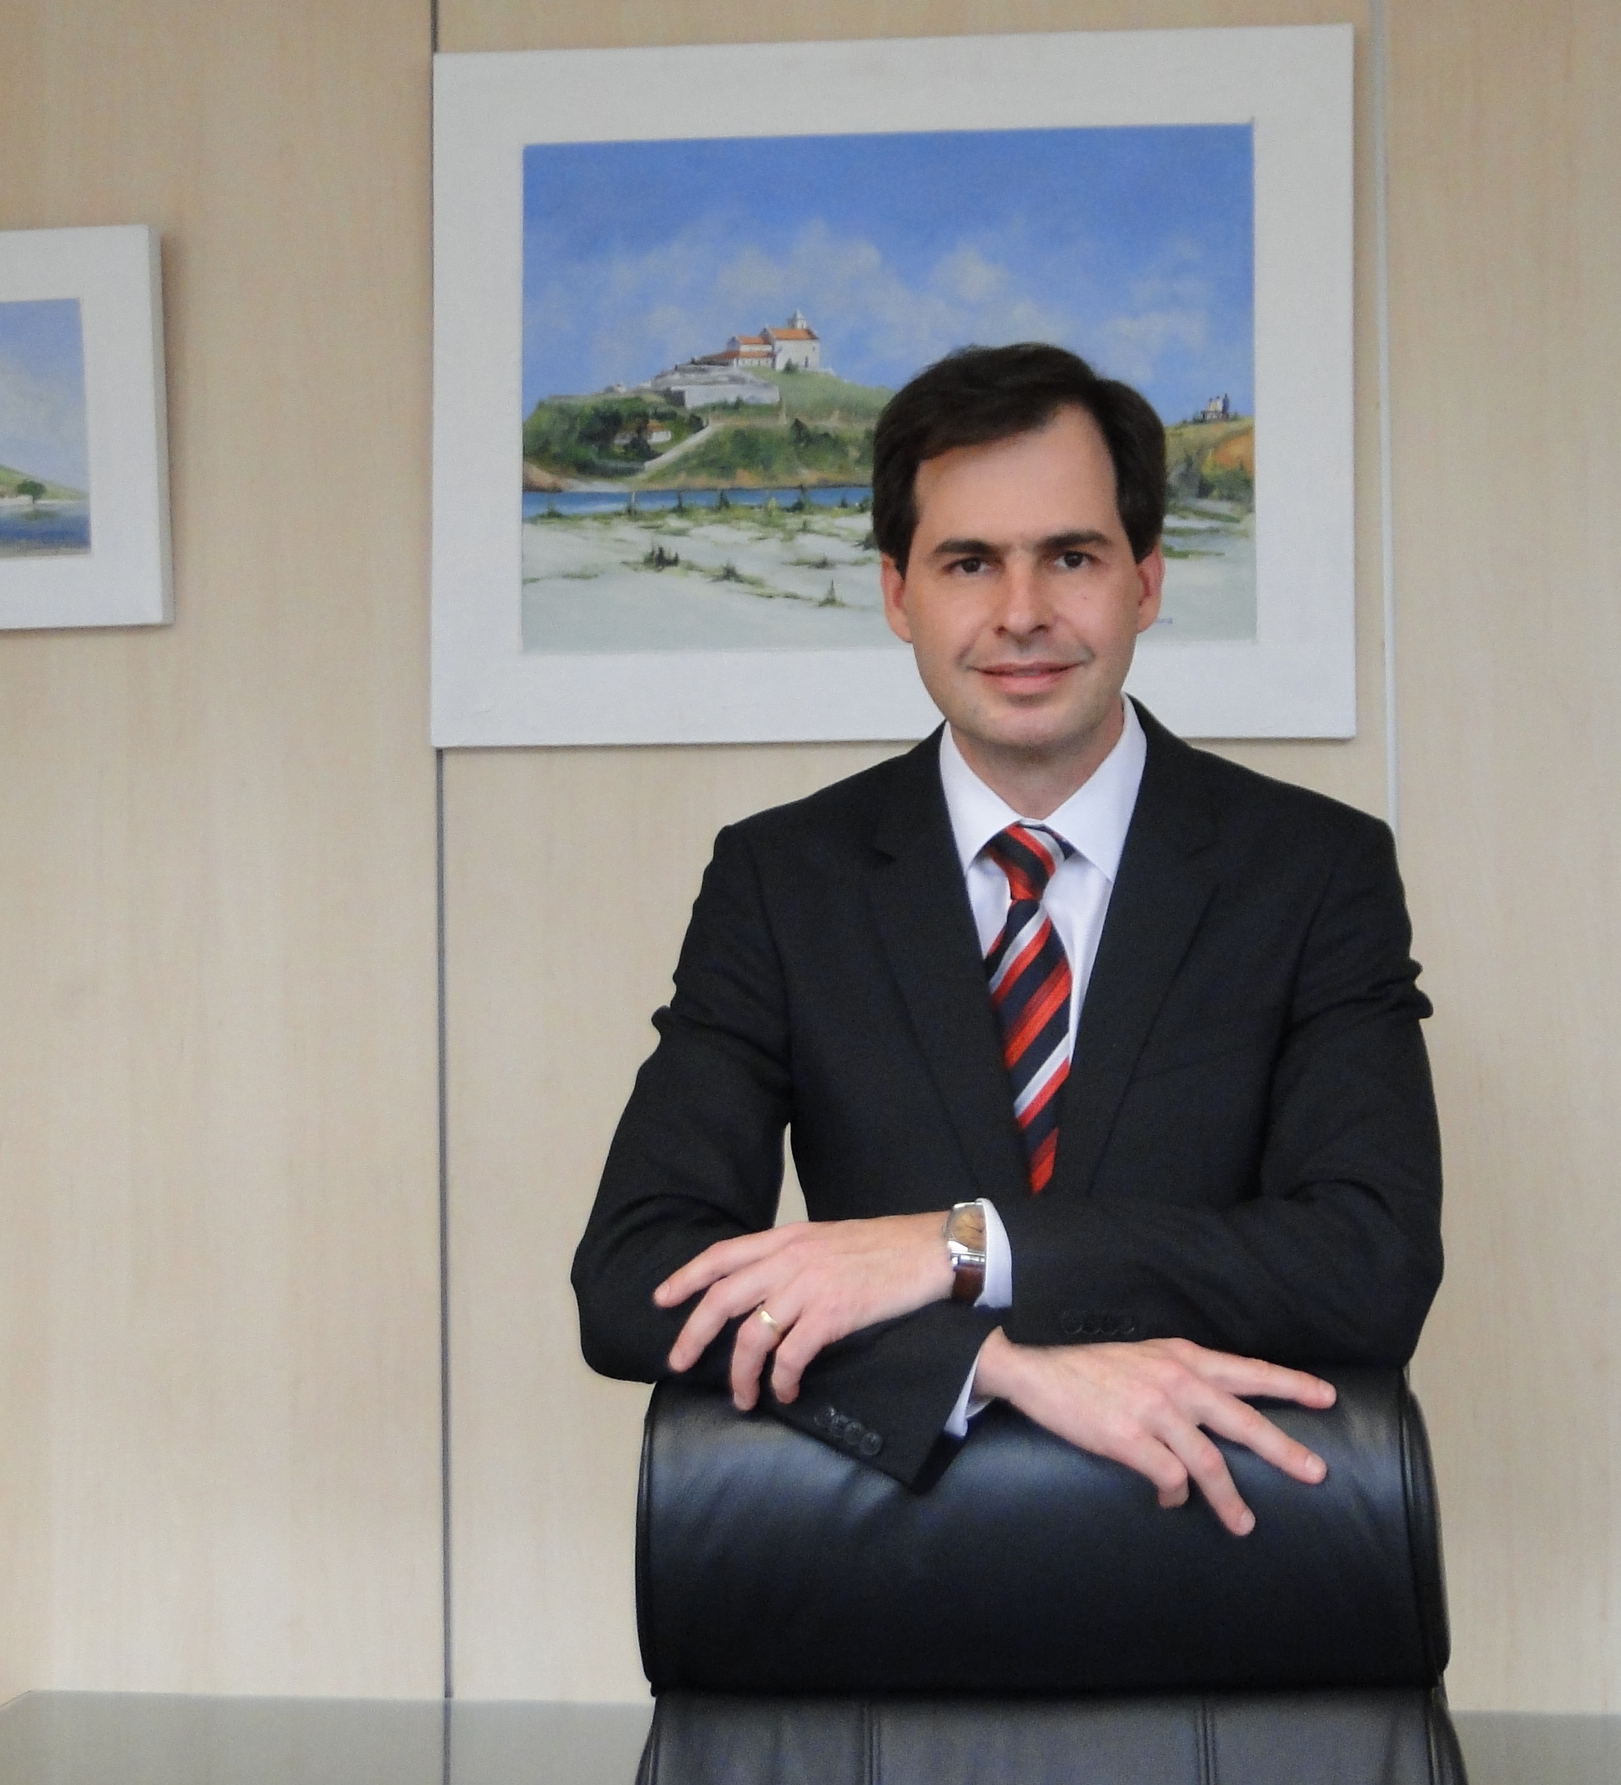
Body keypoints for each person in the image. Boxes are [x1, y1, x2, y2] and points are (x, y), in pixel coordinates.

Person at [571, 342, 1443, 1535]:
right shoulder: (783, 881)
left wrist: (960, 1251)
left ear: (1145, 580)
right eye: (969, 562)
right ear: (898, 595)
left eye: (1071, 557)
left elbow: (1370, 1265)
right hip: (893, 1563)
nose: (1022, 614)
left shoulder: (1313, 871)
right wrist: (987, 1368)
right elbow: (634, 1280)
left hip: (1221, 1549)